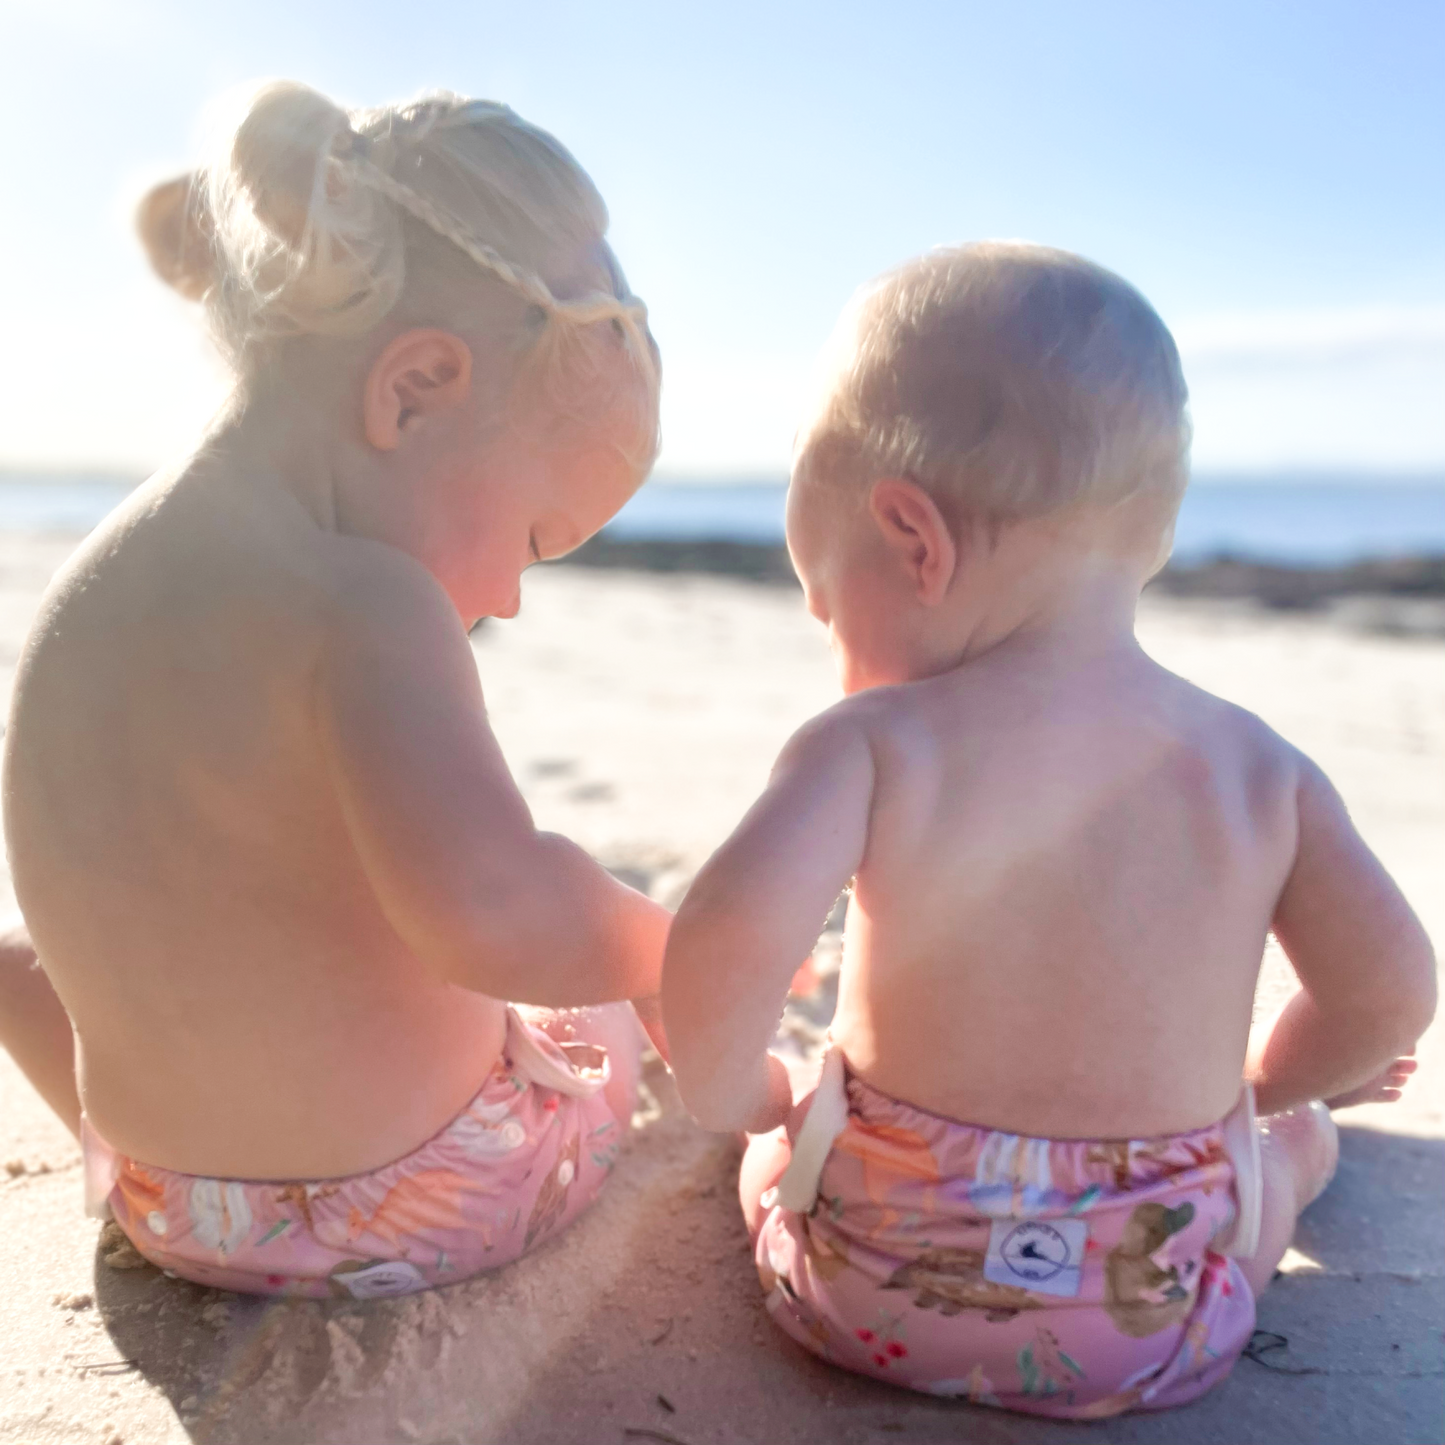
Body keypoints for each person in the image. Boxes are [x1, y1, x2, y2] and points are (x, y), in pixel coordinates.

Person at [661, 242, 1434, 1416]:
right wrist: (1260, 1087)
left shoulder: (872, 745)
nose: (831, 644)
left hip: (862, 1295)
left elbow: (713, 945)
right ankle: (1296, 1151)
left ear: (913, 540)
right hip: (1147, 1320)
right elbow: (1388, 991)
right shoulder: (1258, 772)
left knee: (779, 1156)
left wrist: (746, 1094)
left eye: (825, 602)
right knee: (1276, 1154)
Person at [0, 81, 670, 1300]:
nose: (512, 599)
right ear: (413, 389)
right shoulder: (364, 603)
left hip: (164, 1198)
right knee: (601, 1016)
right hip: (403, 1206)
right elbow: (494, 910)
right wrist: (668, 951)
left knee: (41, 951)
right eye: (533, 535)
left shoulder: (93, 580)